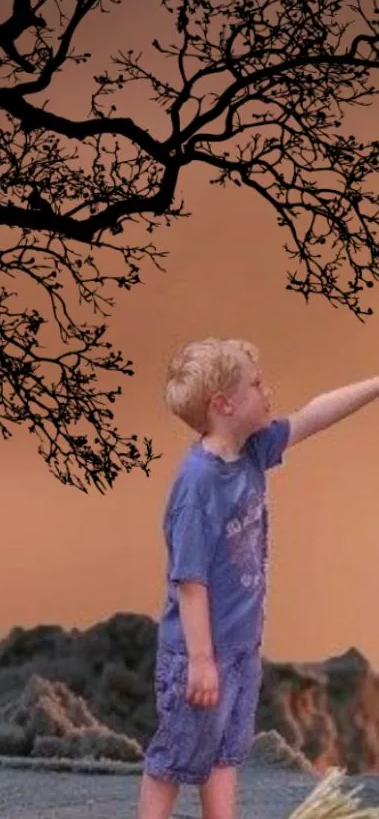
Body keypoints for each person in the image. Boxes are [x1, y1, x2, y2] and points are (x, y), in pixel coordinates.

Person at [137, 337, 379, 819]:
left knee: (224, 754)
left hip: (240, 648)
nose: (268, 390)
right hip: (199, 655)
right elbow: (189, 581)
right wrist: (202, 662)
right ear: (223, 404)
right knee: (174, 758)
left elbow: (314, 414)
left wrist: (376, 384)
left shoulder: (251, 451)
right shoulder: (198, 485)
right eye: (256, 383)